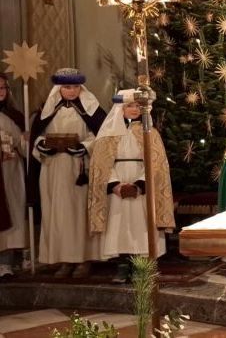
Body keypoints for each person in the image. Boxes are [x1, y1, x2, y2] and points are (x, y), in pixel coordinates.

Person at [88, 89, 175, 282]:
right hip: (117, 188)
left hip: (141, 189)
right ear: (121, 108)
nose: (134, 110)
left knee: (142, 226)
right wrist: (115, 185)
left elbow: (157, 163)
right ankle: (122, 266)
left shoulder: (150, 133)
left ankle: (142, 267)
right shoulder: (107, 134)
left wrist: (140, 184)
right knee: (118, 227)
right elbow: (101, 164)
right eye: (130, 106)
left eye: (137, 106)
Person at [31, 68, 106, 278]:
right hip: (53, 169)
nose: (71, 91)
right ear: (59, 88)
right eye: (66, 87)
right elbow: (38, 136)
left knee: (79, 213)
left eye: (74, 87)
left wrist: (85, 147)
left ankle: (83, 259)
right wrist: (42, 146)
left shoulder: (92, 110)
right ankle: (63, 259)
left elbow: (102, 135)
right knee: (57, 213)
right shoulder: (48, 110)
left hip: (79, 169)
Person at [0, 75, 26, 278]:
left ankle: (7, 262)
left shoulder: (15, 116)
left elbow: (23, 148)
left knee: (13, 209)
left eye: (3, 88)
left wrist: (26, 140)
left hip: (10, 171)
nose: (0, 91)